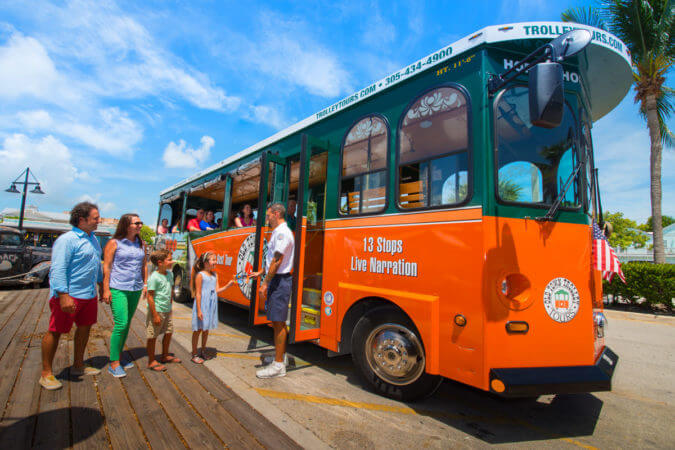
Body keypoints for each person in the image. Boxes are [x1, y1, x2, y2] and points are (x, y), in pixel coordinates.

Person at [40, 202, 104, 390]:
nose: (99, 221)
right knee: (56, 331)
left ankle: (78, 365)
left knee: (84, 329)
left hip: (89, 294)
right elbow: (58, 269)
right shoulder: (67, 240)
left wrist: (101, 286)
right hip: (69, 295)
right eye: (95, 218)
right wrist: (63, 295)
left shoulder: (93, 239)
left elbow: (96, 265)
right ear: (82, 219)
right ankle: (46, 373)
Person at [252, 203, 294, 378]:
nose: (267, 219)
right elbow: (273, 261)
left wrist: (265, 283)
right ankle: (280, 358)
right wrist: (262, 272)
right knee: (278, 323)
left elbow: (277, 261)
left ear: (276, 214)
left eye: (268, 215)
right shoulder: (279, 232)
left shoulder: (283, 233)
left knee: (278, 323)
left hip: (280, 281)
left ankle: (278, 366)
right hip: (277, 279)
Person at [103, 213, 147, 378]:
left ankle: (119, 356)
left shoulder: (141, 243)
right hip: (118, 288)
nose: (140, 226)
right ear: (126, 225)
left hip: (135, 288)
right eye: (136, 223)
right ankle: (114, 363)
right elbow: (107, 267)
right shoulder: (114, 243)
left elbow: (144, 265)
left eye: (140, 223)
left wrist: (145, 284)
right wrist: (106, 289)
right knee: (121, 324)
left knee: (127, 324)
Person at [190, 252, 235, 363]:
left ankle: (203, 351)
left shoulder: (215, 275)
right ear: (206, 262)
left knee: (206, 329)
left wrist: (228, 285)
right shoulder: (200, 275)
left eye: (215, 259)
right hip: (202, 304)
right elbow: (198, 293)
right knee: (198, 329)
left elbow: (216, 290)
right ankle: (194, 353)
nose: (215, 262)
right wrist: (199, 310)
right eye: (213, 260)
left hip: (211, 304)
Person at [145, 249, 180, 371]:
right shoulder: (154, 277)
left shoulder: (170, 274)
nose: (172, 261)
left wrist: (170, 307)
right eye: (169, 259)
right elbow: (149, 296)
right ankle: (151, 360)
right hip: (157, 310)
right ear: (160, 262)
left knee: (169, 331)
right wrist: (155, 314)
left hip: (167, 309)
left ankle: (165, 355)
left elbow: (170, 291)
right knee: (152, 335)